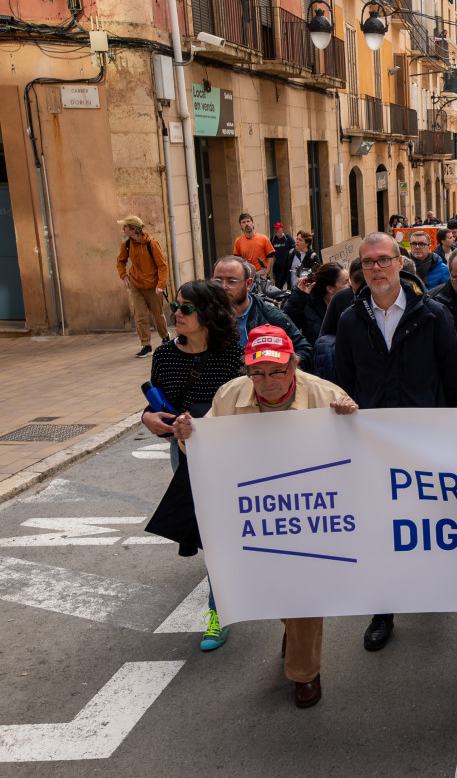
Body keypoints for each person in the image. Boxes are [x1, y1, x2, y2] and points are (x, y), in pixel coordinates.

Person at [172, 325, 359, 708]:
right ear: (246, 371)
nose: (267, 381)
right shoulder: (229, 395)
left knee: (303, 593)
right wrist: (187, 435)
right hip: (254, 514)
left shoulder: (327, 395)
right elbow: (204, 452)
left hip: (311, 516)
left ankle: (304, 674)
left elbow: (358, 452)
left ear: (294, 366)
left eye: (277, 371)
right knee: (271, 587)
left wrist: (350, 418)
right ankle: (290, 622)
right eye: (257, 373)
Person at [334, 231, 457, 650]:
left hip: (424, 440)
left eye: (383, 260)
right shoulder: (351, 319)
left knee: (426, 519)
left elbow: (452, 373)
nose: (376, 269)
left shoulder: (434, 315)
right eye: (368, 262)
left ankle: (432, 585)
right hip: (373, 442)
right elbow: (345, 381)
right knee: (379, 527)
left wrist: (447, 432)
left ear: (400, 263)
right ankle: (383, 610)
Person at [141, 279, 244, 650]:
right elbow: (158, 406)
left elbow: (246, 407)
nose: (176, 314)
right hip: (183, 455)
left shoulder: (233, 354)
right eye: (175, 307)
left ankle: (229, 599)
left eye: (186, 308)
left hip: (230, 456)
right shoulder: (165, 355)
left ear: (209, 312)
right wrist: (147, 419)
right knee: (211, 533)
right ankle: (222, 609)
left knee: (227, 529)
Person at [212, 256, 313, 370]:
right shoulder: (205, 318)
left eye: (232, 281)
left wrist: (278, 370)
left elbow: (304, 350)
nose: (223, 287)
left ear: (248, 284)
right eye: (218, 281)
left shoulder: (270, 317)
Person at [116, 215, 170, 357]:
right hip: (136, 284)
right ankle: (146, 345)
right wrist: (124, 276)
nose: (123, 229)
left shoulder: (151, 244)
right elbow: (120, 261)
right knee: (140, 315)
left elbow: (162, 266)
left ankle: (165, 337)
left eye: (125, 227)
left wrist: (161, 284)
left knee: (157, 315)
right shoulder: (127, 244)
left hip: (153, 286)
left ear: (133, 229)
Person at [284, 262, 349, 346]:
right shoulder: (309, 306)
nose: (350, 284)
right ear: (330, 288)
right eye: (346, 282)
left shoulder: (350, 302)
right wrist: (299, 296)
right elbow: (286, 325)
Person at [234, 213, 274, 279]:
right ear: (241, 226)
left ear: (253, 223)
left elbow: (270, 257)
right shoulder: (238, 241)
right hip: (247, 276)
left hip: (261, 276)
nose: (246, 224)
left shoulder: (263, 238)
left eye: (248, 221)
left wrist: (266, 273)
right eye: (243, 222)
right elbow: (237, 260)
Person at [269, 223, 296, 289]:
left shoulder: (287, 238)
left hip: (287, 265)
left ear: (282, 229)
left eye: (277, 229)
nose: (276, 230)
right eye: (274, 229)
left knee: (289, 283)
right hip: (277, 266)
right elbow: (269, 251)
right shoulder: (273, 239)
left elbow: (294, 249)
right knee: (278, 284)